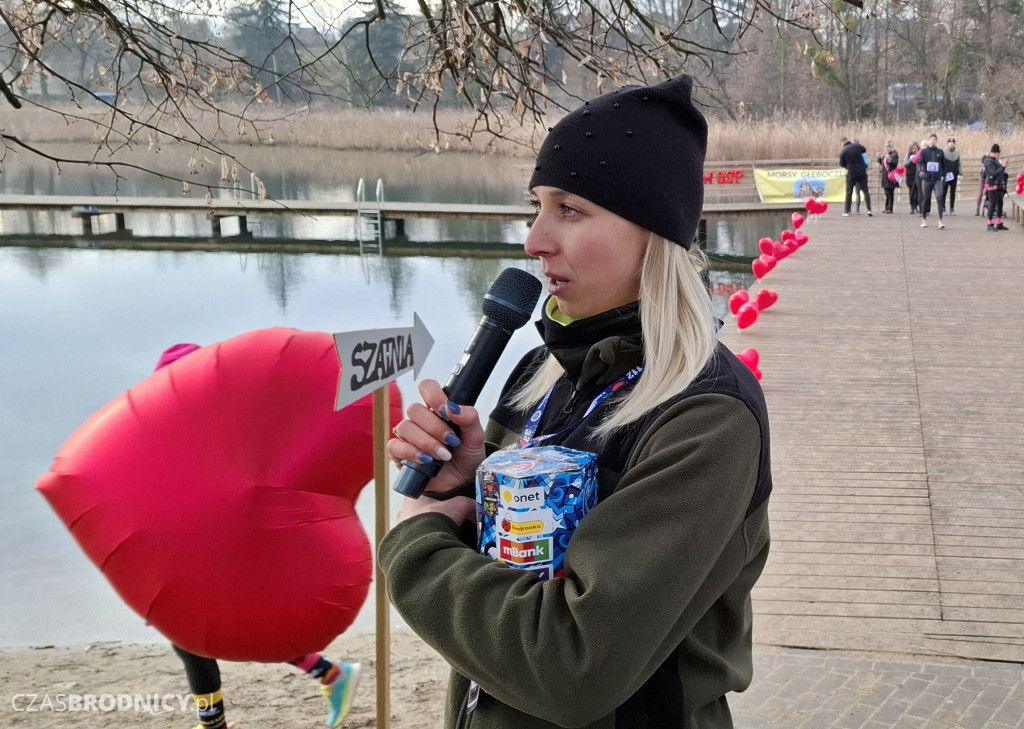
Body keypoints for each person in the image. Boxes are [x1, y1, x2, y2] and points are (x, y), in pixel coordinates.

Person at [379, 76, 772, 729]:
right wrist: (472, 491)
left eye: (569, 209)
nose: (534, 240)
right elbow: (520, 567)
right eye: (535, 206)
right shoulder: (543, 371)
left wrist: (414, 540)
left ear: (654, 232)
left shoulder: (705, 417)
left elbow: (571, 664)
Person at [152, 344, 363, 729]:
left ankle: (216, 723)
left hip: (229, 550)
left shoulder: (224, 427)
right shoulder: (184, 430)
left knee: (198, 633)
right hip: (202, 552)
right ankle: (328, 673)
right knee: (214, 631)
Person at [916, 133, 946, 228]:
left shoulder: (940, 152)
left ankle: (940, 221)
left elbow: (943, 165)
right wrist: (921, 172)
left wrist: (943, 175)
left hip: (937, 179)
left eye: (934, 139)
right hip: (927, 179)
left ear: (936, 141)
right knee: (926, 198)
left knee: (940, 197)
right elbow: (919, 163)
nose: (932, 141)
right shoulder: (924, 152)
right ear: (928, 141)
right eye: (931, 139)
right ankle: (924, 219)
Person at [840, 137, 872, 216]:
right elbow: (864, 149)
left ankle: (847, 211)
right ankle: (869, 210)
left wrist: (848, 166)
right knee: (865, 191)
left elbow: (842, 164)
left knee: (849, 192)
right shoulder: (857, 146)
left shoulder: (843, 151)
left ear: (843, 144)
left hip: (851, 172)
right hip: (861, 171)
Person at [982, 143, 1009, 231]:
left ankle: (999, 223)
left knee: (1000, 203)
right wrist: (1003, 166)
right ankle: (989, 224)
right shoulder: (989, 161)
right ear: (996, 152)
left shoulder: (995, 160)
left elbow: (999, 171)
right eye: (999, 153)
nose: (999, 155)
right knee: (992, 204)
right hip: (991, 185)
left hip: (998, 184)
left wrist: (1002, 168)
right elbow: (993, 173)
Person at [878, 141, 899, 213]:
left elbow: (894, 163)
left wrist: (889, 159)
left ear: (891, 147)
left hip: (891, 176)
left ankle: (890, 208)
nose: (887, 148)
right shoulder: (886, 155)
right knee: (886, 193)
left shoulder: (894, 154)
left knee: (890, 193)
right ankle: (887, 207)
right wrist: (878, 158)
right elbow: (882, 163)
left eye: (889, 147)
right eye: (886, 147)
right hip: (885, 176)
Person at [942, 136, 961, 215]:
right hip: (946, 175)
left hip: (954, 174)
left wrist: (960, 173)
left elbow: (959, 164)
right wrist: (941, 174)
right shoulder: (943, 152)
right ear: (947, 143)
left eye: (953, 143)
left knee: (953, 192)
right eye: (950, 143)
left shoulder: (957, 153)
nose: (951, 144)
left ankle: (952, 208)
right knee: (944, 191)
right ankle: (943, 208)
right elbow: (941, 164)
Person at [905, 141, 921, 214]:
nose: (914, 150)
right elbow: (905, 164)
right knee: (911, 192)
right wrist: (910, 160)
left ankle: (917, 205)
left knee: (918, 192)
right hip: (910, 175)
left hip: (917, 174)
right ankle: (912, 206)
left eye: (916, 148)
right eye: (913, 148)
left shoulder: (920, 154)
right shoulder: (908, 155)